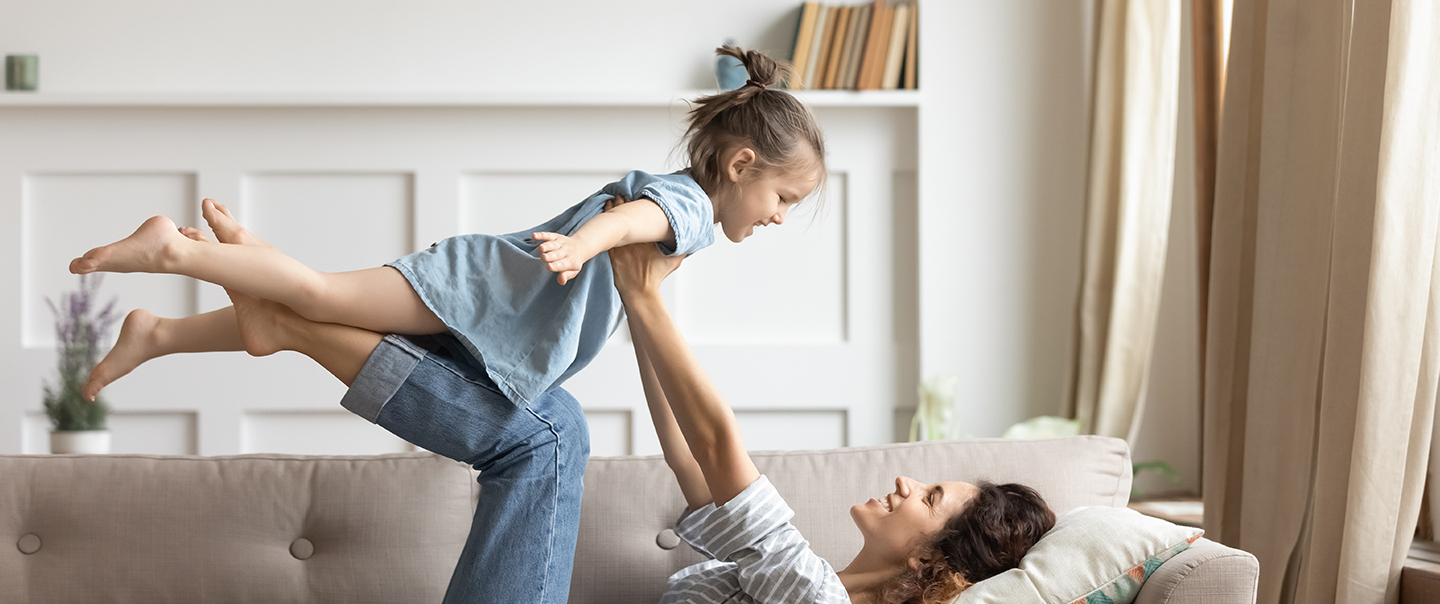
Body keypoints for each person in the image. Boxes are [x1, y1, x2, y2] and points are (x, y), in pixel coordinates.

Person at [69, 44, 827, 409]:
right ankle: (170, 248)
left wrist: (590, 244)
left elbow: (638, 222)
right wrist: (584, 243)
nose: (778, 217)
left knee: (290, 313)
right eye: (784, 199)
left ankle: (160, 334)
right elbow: (638, 218)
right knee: (317, 293)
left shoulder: (681, 202)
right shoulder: (687, 208)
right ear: (740, 166)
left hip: (480, 308)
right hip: (475, 295)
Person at [605, 240, 1057, 604]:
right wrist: (639, 300)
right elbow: (688, 459)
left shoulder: (815, 597)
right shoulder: (809, 580)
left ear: (926, 557)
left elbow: (716, 446)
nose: (906, 482)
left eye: (930, 497)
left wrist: (644, 296)